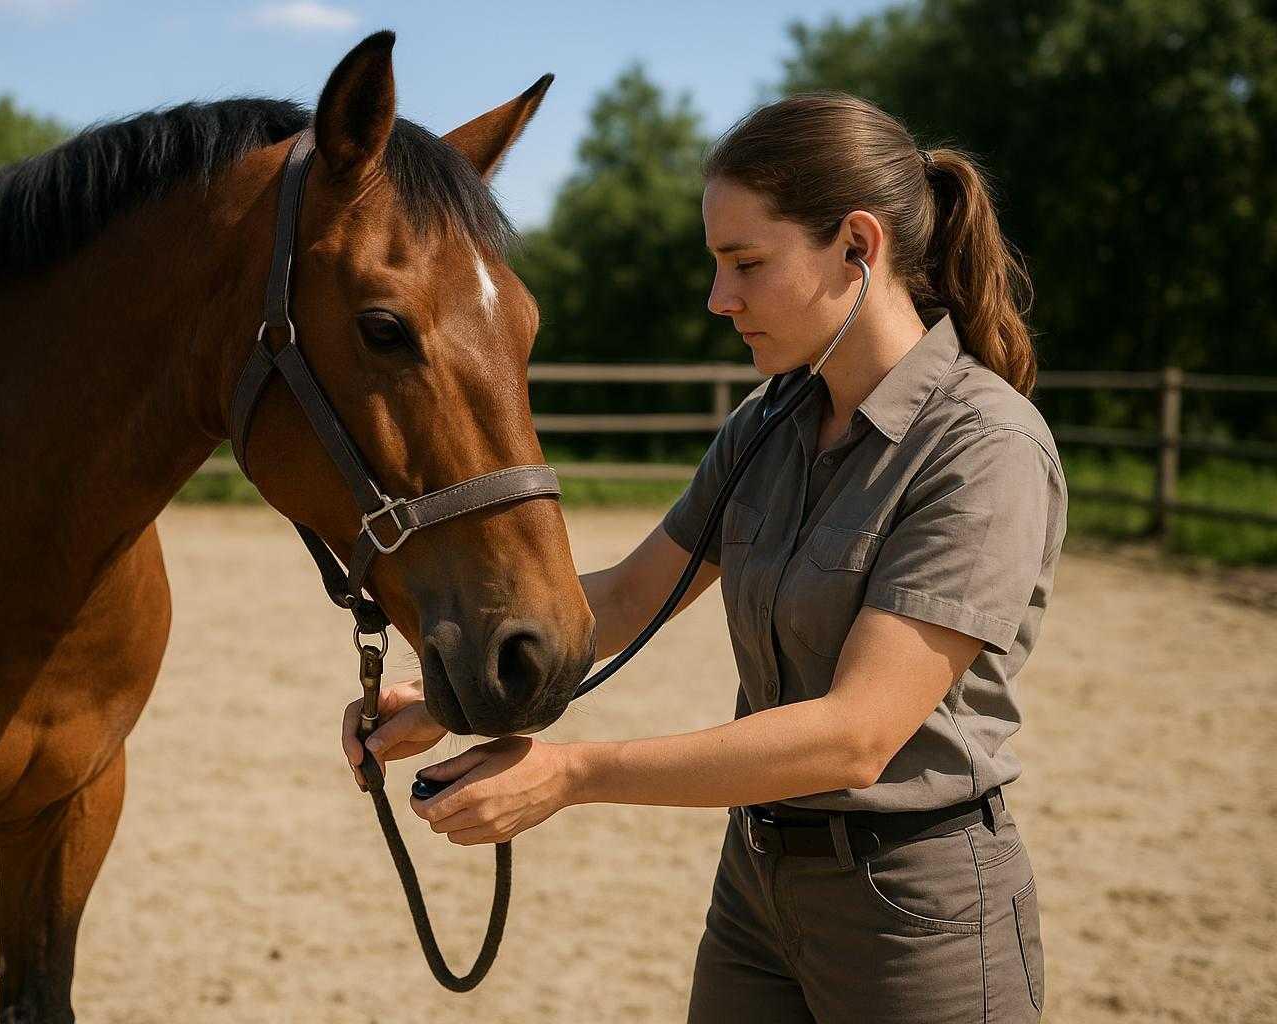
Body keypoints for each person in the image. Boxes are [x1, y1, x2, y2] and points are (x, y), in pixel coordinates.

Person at [341, 91, 1064, 1023]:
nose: (719, 298)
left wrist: (573, 774)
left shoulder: (983, 448)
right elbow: (633, 595)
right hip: (756, 893)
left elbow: (856, 735)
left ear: (858, 246)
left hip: (914, 911)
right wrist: (449, 692)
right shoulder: (767, 425)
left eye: (746, 263)